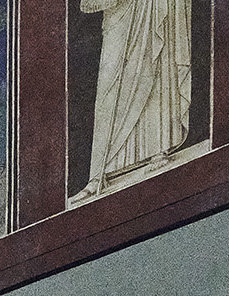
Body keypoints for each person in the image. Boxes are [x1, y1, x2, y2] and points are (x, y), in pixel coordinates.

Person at [80, 0, 194, 195]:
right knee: (110, 84)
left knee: (156, 61)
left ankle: (159, 147)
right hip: (118, 11)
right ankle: (100, 172)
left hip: (150, 4)